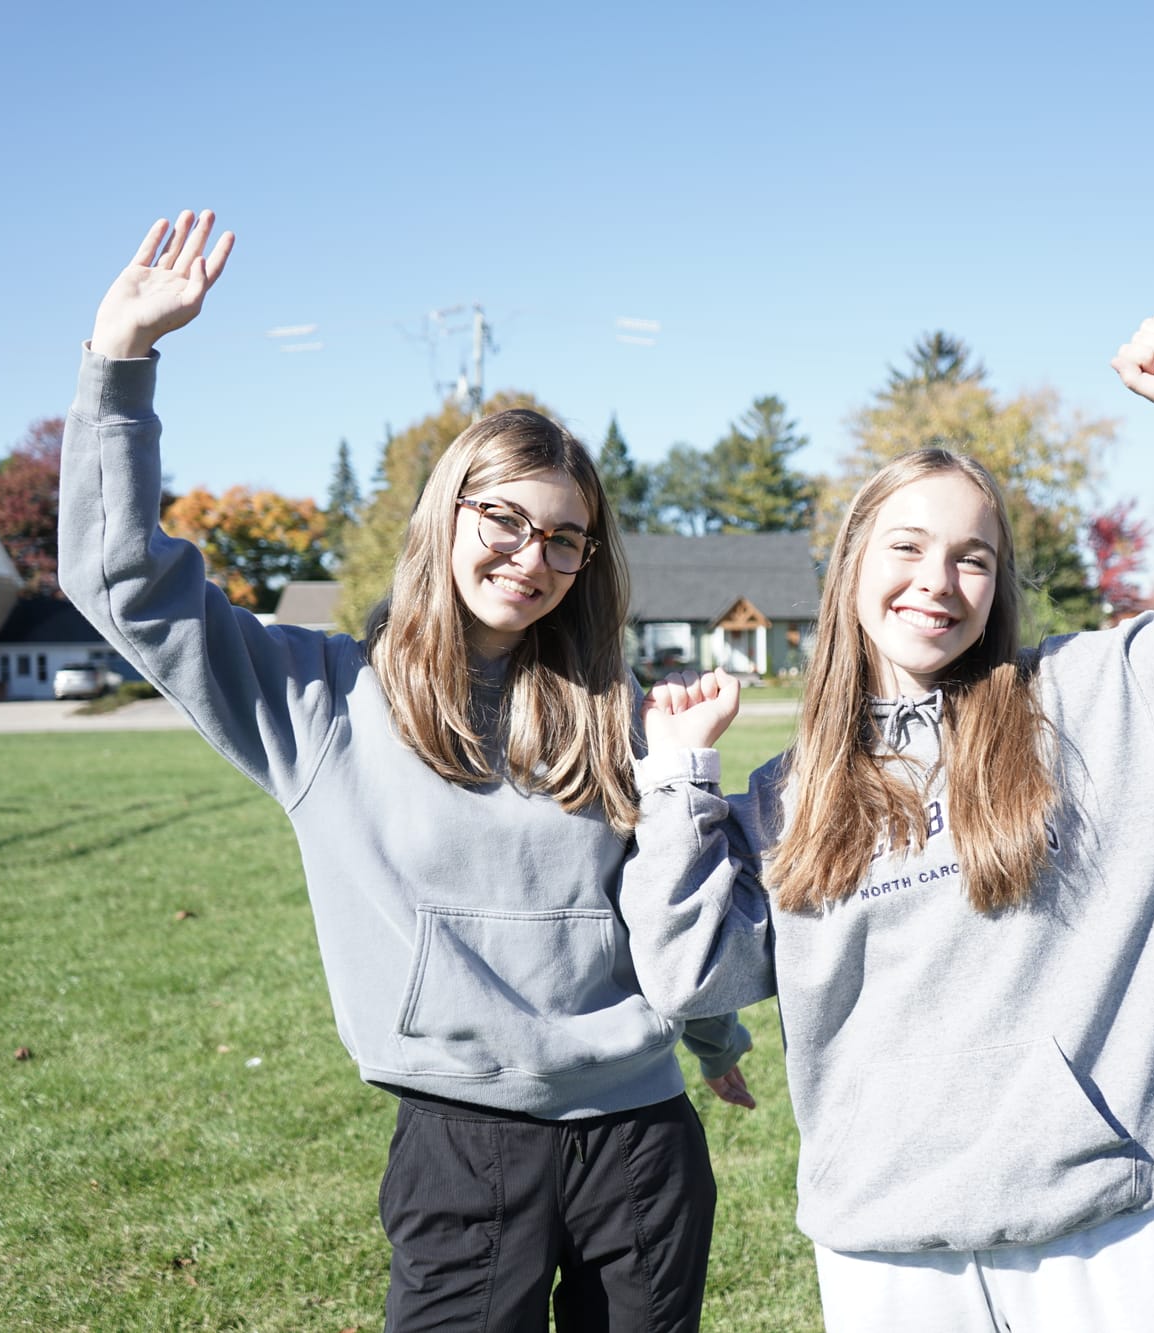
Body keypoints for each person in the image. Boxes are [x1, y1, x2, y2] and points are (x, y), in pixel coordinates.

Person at [58, 210, 753, 1333]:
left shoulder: (609, 712)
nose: (532, 559)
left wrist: (716, 1038)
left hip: (639, 1139)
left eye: (564, 539)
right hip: (460, 1142)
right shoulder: (319, 700)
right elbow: (121, 581)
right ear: (447, 516)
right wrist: (121, 359)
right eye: (505, 520)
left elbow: (662, 900)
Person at [625, 312, 1154, 1332]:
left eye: (971, 557)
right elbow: (692, 975)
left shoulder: (1103, 705)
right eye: (906, 547)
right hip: (885, 1242)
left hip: (1101, 1223)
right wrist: (678, 785)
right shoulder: (786, 793)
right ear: (847, 570)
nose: (936, 579)